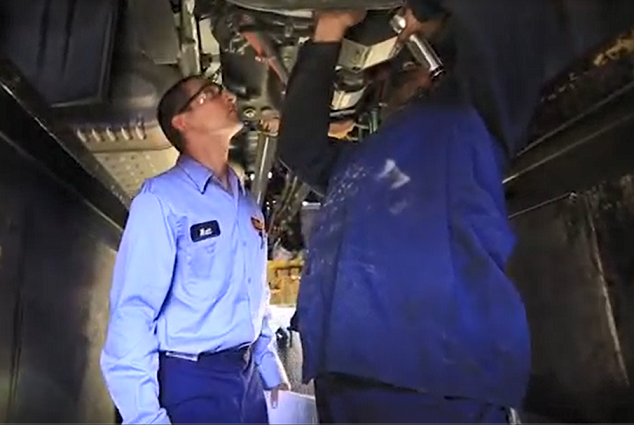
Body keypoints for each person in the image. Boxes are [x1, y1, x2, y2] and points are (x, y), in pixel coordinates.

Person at [277, 2, 634, 423]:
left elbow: (297, 148)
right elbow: (511, 20)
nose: (407, 74)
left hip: (431, 373)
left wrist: (331, 33)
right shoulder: (421, 135)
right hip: (371, 373)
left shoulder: (466, 121)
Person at [100, 76, 289, 424]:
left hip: (245, 380)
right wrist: (144, 417)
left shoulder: (247, 204)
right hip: (190, 380)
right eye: (211, 93)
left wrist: (267, 363)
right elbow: (133, 310)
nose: (228, 95)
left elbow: (254, 291)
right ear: (181, 122)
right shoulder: (161, 200)